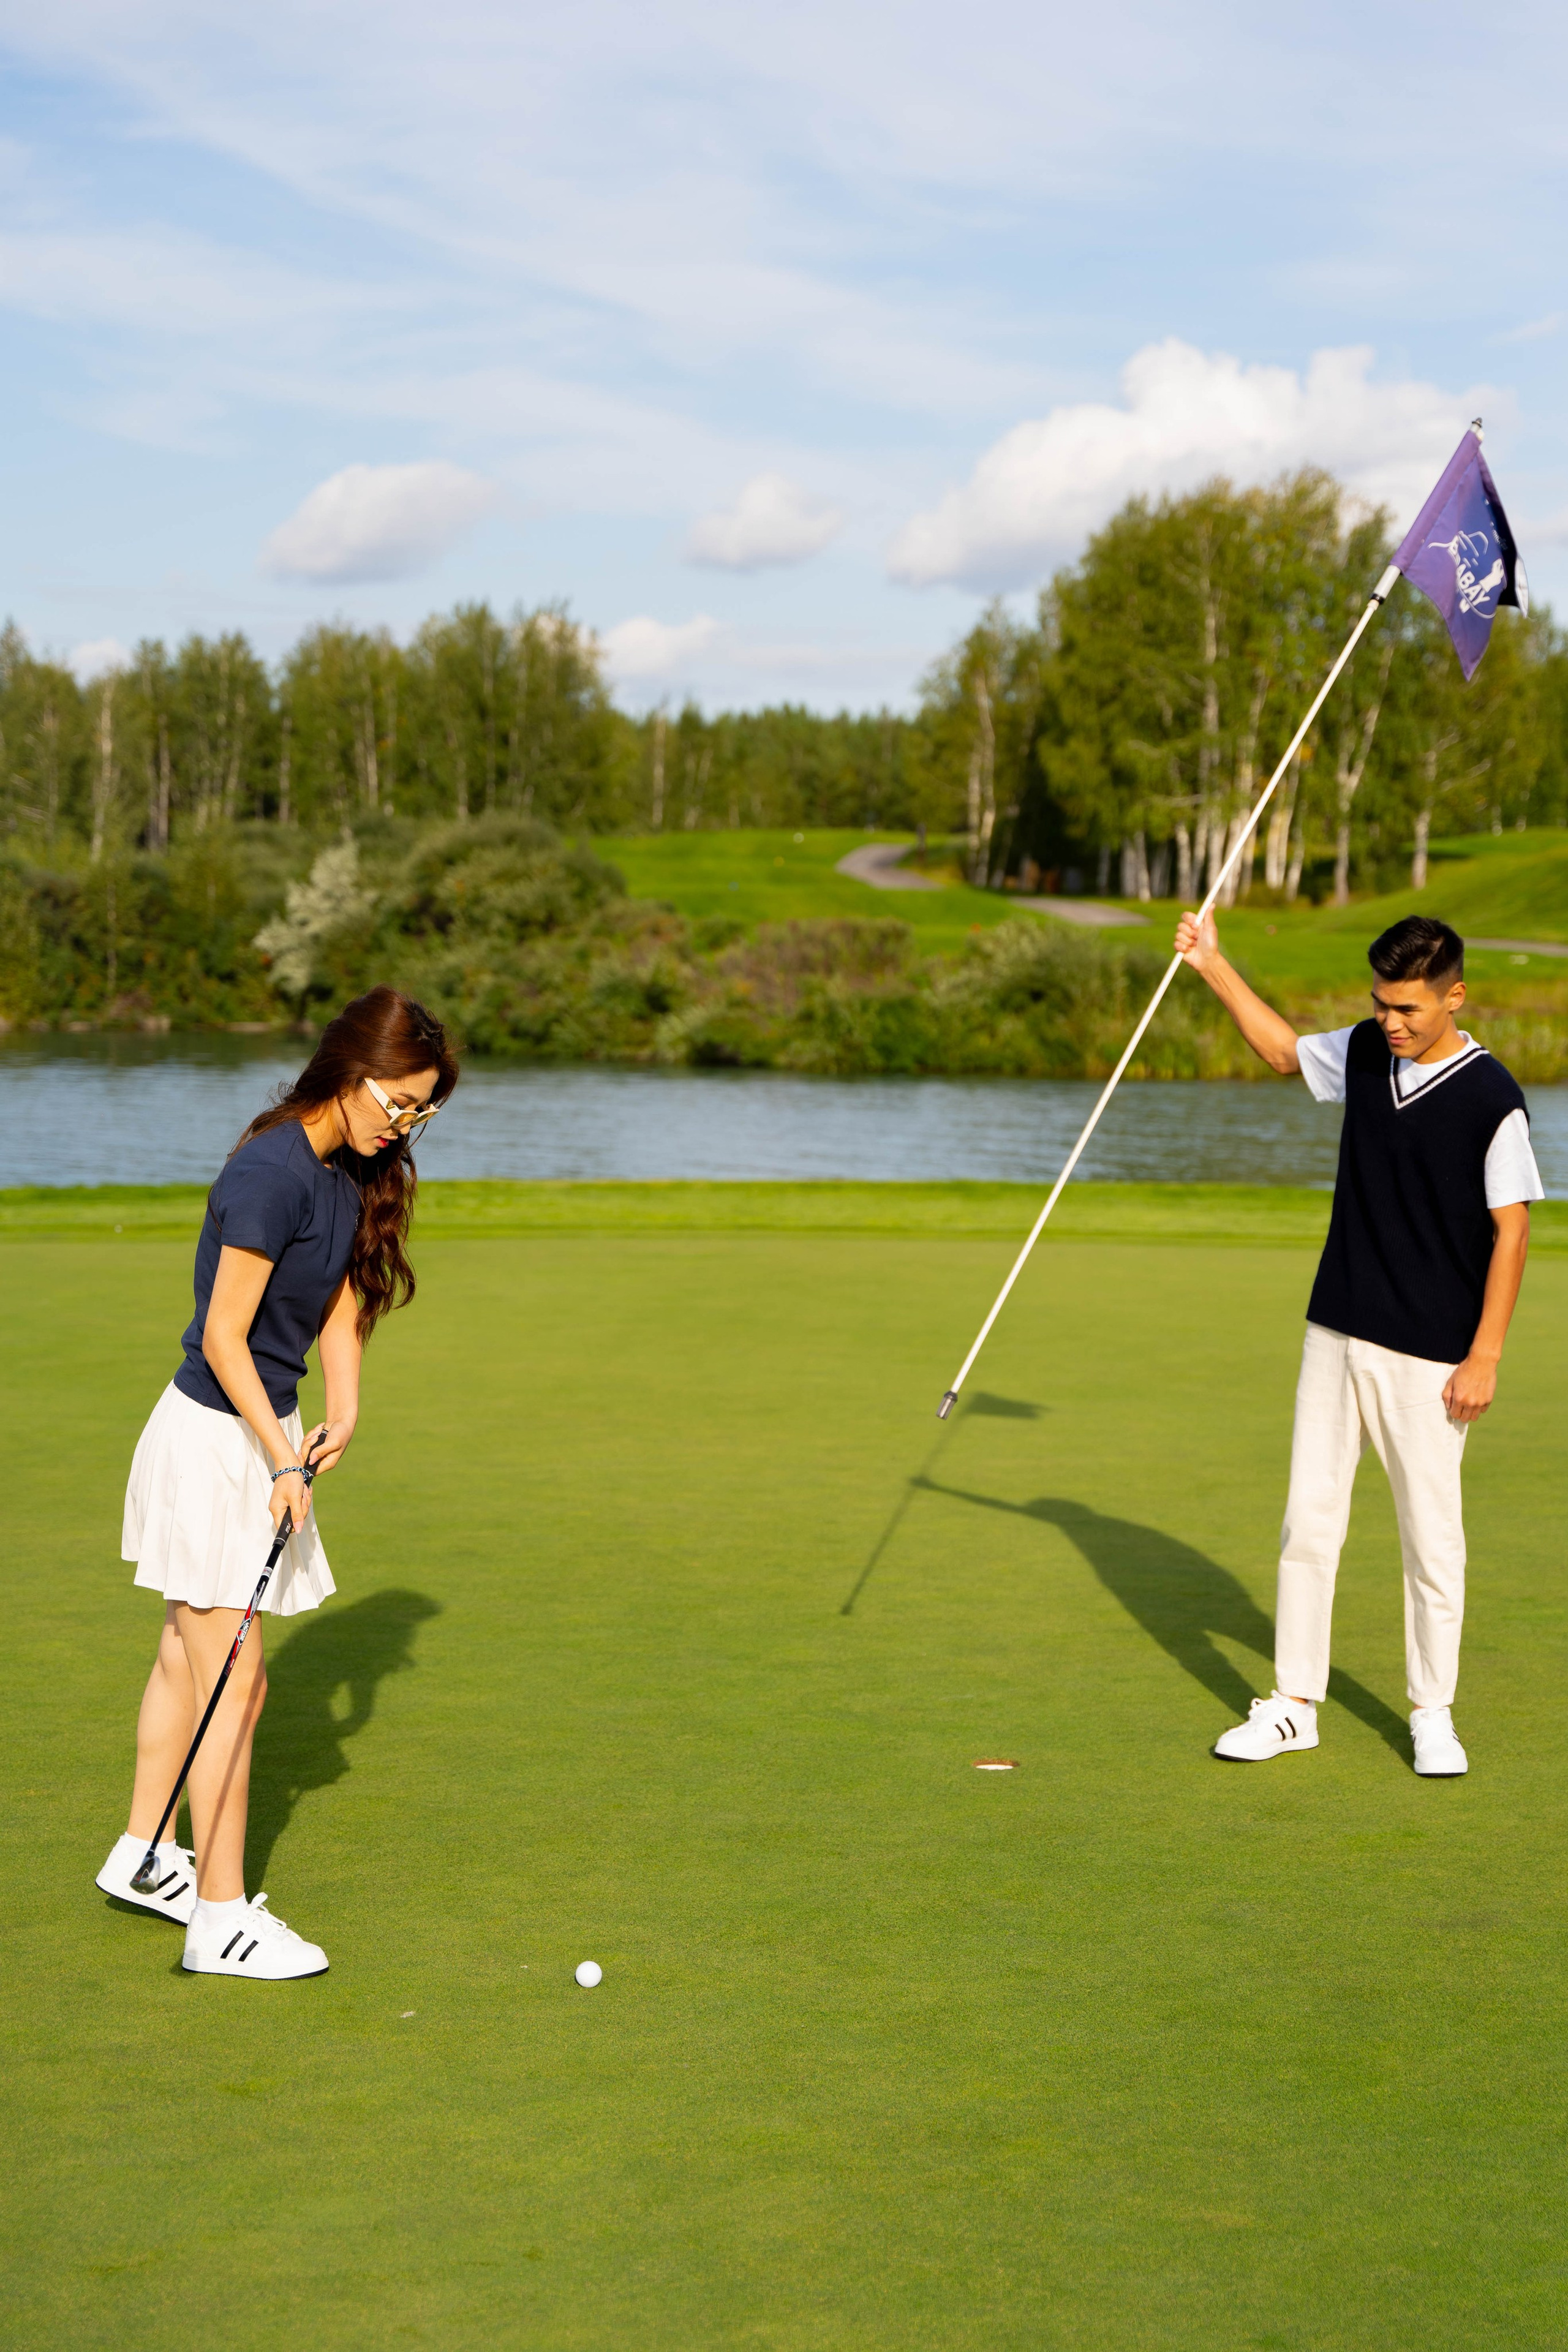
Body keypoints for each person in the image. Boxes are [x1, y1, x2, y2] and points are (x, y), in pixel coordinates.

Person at [96, 987, 458, 1975]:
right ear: (352, 1071)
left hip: (260, 1430)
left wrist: (343, 1405)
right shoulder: (270, 1171)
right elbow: (223, 1334)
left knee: (187, 1654)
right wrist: (282, 1455)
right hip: (216, 1438)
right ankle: (218, 1919)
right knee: (236, 1680)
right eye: (401, 1101)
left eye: (425, 1109)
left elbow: (338, 1301)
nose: (408, 1124)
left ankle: (142, 1855)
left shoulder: (345, 1170)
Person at [1175, 911, 1539, 1777]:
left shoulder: (1495, 1098)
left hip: (1431, 1353)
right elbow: (1281, 1054)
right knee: (1310, 1522)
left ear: (1455, 996)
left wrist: (1485, 1355)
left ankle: (1433, 1714)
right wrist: (1212, 964)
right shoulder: (1369, 1052)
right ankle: (1295, 1703)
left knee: (1431, 1540)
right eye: (1381, 1004)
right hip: (1336, 1326)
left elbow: (1514, 1231)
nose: (1392, 1023)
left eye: (1409, 1008)